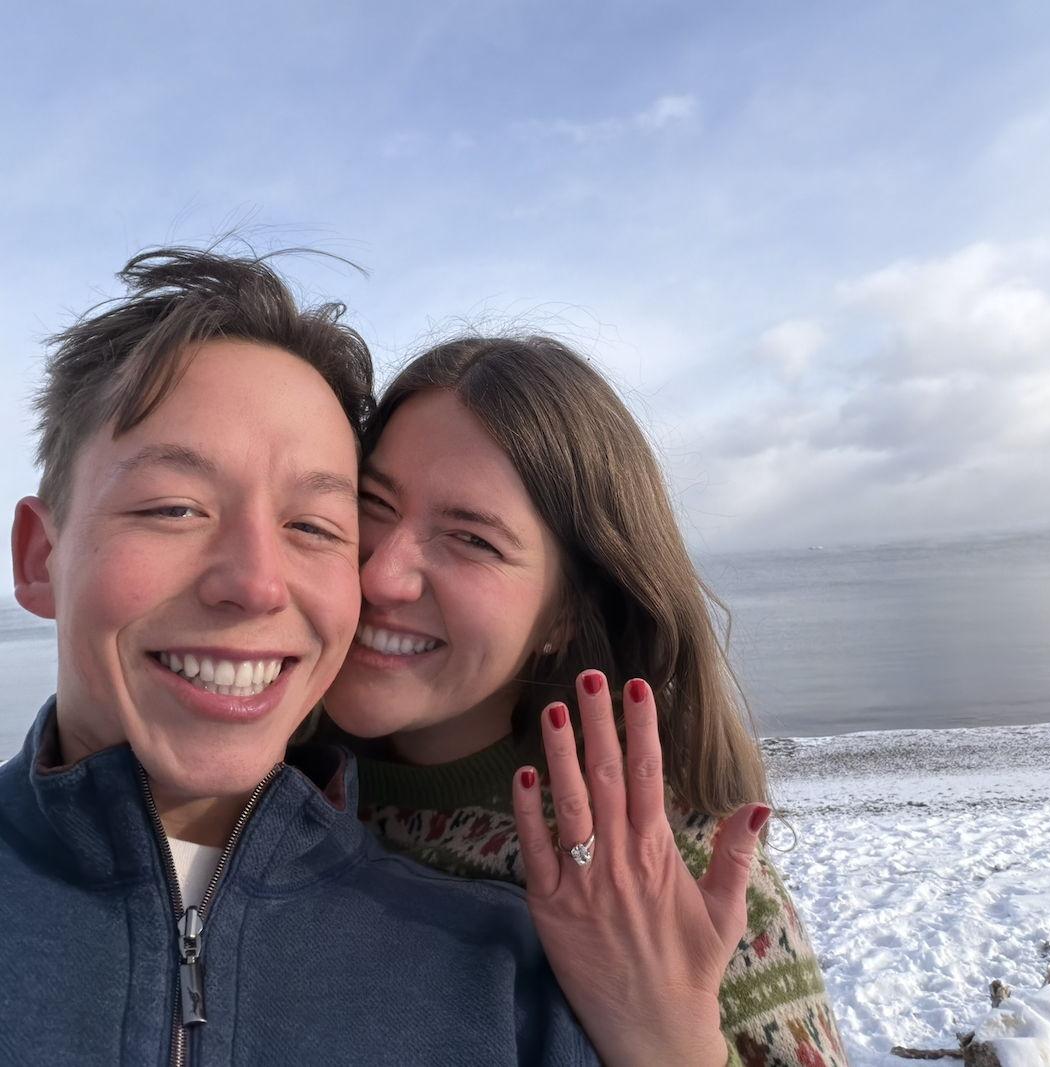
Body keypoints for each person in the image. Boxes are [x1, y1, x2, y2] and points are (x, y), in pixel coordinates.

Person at [0, 254, 600, 1066]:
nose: (255, 583)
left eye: (315, 526)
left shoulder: (509, 983)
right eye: (174, 507)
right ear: (40, 558)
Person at [321, 335, 849, 1067]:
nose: (382, 574)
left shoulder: (664, 864)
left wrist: (669, 1044)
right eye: (371, 502)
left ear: (565, 613)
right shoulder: (251, 790)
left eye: (471, 538)